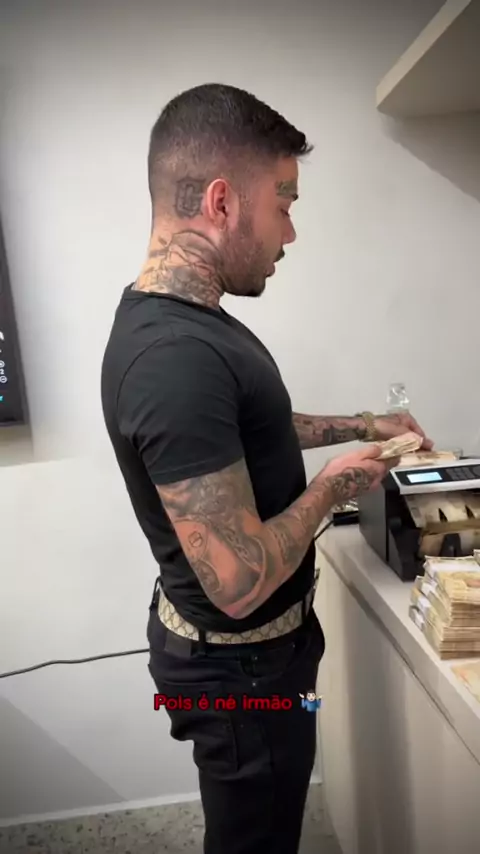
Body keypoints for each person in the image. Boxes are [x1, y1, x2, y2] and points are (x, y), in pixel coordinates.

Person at [100, 83, 432, 854]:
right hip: (242, 678)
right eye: (283, 203)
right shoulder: (174, 358)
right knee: (258, 837)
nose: (291, 231)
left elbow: (246, 433)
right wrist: (334, 486)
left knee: (270, 817)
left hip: (259, 661)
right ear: (222, 202)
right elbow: (239, 580)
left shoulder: (190, 324)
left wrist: (362, 425)